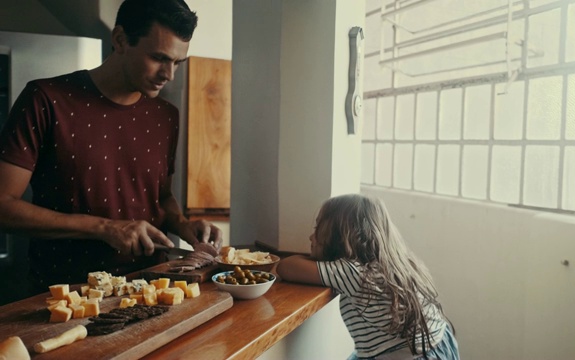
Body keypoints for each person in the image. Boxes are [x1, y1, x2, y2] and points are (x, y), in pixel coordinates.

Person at [0, 0, 222, 295]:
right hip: (65, 295)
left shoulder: (166, 116)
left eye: (177, 62)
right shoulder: (45, 100)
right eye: (158, 58)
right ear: (119, 40)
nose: (169, 74)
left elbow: (160, 196)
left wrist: (183, 224)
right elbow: (3, 206)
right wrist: (106, 228)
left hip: (153, 288)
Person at [277, 194, 460, 360]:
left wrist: (315, 258)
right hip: (439, 343)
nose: (311, 237)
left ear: (340, 236)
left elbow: (286, 267)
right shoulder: (393, 262)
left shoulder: (355, 272)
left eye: (318, 228)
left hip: (407, 355)